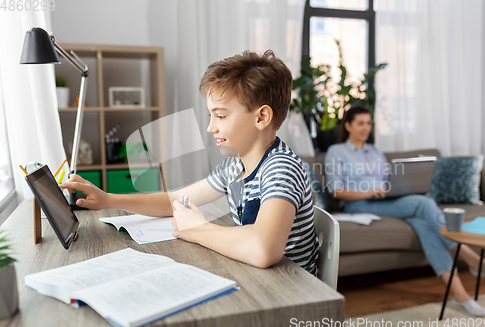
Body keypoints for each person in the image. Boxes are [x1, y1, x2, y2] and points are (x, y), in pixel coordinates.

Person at [60, 50, 319, 274]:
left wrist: (197, 229)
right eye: (211, 115)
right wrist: (109, 199)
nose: (210, 127)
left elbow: (263, 250)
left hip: (291, 293)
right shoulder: (235, 167)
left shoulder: (281, 168)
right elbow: (174, 199)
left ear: (261, 117)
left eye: (220, 116)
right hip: (256, 277)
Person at [324, 105, 485, 317]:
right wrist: (370, 191)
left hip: (385, 200)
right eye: (360, 123)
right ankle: (471, 259)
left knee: (422, 224)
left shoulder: (375, 152)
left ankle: (459, 294)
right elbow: (336, 191)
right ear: (348, 125)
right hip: (358, 205)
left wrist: (396, 188)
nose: (365, 128)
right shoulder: (336, 152)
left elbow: (387, 182)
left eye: (369, 123)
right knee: (422, 203)